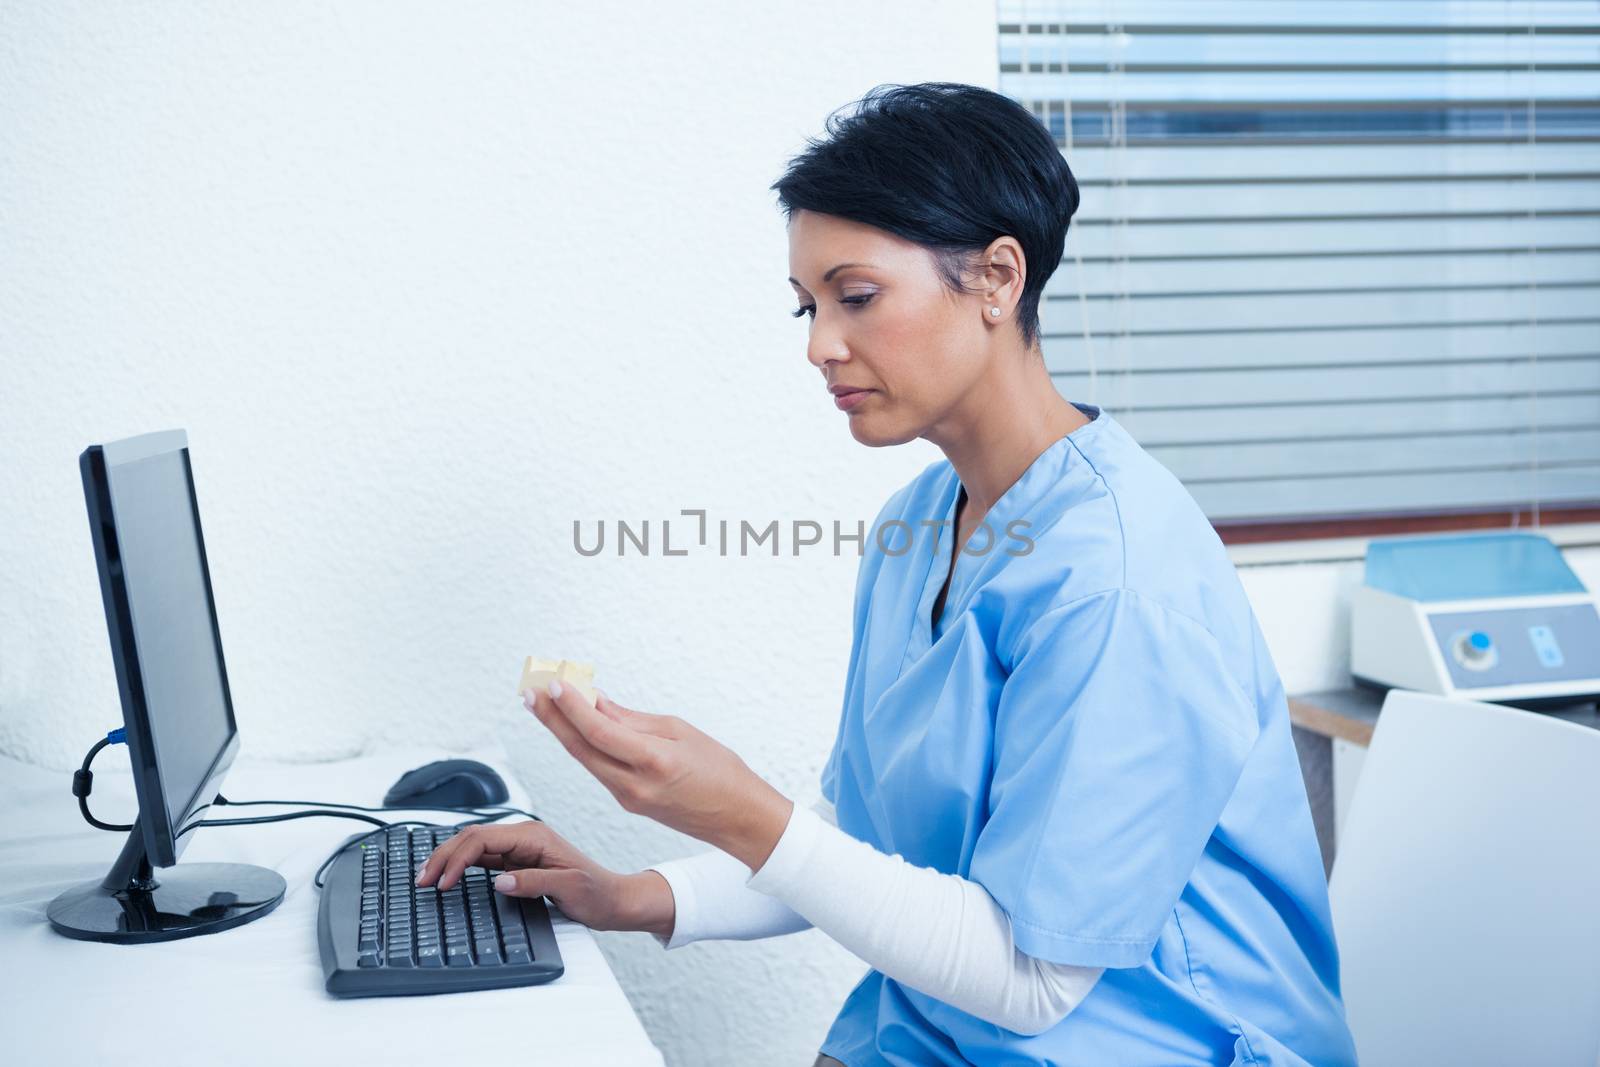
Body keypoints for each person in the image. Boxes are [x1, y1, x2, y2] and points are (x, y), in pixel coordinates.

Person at [417, 82, 1359, 1066]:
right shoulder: (917, 521)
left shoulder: (1118, 582)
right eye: (807, 306)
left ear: (996, 278)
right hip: (936, 1034)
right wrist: (637, 893)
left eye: (855, 296)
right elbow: (864, 843)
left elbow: (1031, 981)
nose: (820, 344)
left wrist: (739, 807)